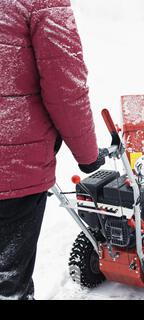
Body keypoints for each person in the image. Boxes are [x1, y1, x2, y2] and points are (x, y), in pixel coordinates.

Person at [0, 0, 104, 299]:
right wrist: (88, 156)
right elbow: (66, 88)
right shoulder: (43, 3)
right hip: (13, 171)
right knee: (7, 284)